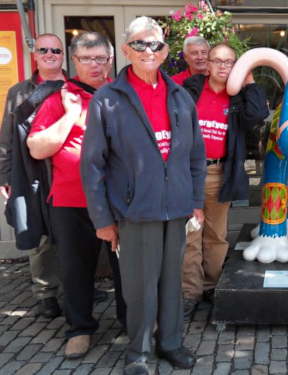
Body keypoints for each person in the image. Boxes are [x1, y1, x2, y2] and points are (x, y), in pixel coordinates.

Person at [80, 17, 206, 375]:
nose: (147, 51)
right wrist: (103, 220)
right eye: (139, 44)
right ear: (126, 50)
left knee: (171, 284)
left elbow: (195, 157)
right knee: (139, 289)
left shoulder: (181, 96)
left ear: (165, 52)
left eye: (154, 45)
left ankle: (171, 342)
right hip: (136, 211)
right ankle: (138, 352)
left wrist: (195, 203)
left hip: (177, 208)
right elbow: (92, 166)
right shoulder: (108, 99)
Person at [27, 31, 127, 358]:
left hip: (117, 200)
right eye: (86, 58)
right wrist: (70, 116)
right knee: (75, 269)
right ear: (75, 61)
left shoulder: (122, 95)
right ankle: (79, 329)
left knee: (127, 266)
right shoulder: (59, 98)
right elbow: (37, 148)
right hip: (71, 200)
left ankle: (132, 321)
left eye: (100, 58)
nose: (94, 65)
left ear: (111, 59)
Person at [181, 43, 269, 317]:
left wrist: (249, 80)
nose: (222, 66)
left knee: (216, 236)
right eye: (217, 61)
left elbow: (258, 115)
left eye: (229, 62)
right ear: (206, 64)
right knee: (190, 236)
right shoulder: (190, 89)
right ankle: (189, 294)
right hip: (188, 174)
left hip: (221, 172)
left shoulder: (238, 98)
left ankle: (212, 286)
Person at [0, 33, 66, 319]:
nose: (50, 53)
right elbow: (6, 137)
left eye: (56, 50)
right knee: (40, 236)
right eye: (44, 50)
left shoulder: (77, 86)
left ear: (64, 55)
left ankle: (77, 286)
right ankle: (46, 293)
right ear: (35, 55)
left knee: (74, 234)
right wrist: (5, 175)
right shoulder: (19, 92)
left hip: (68, 172)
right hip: (32, 172)